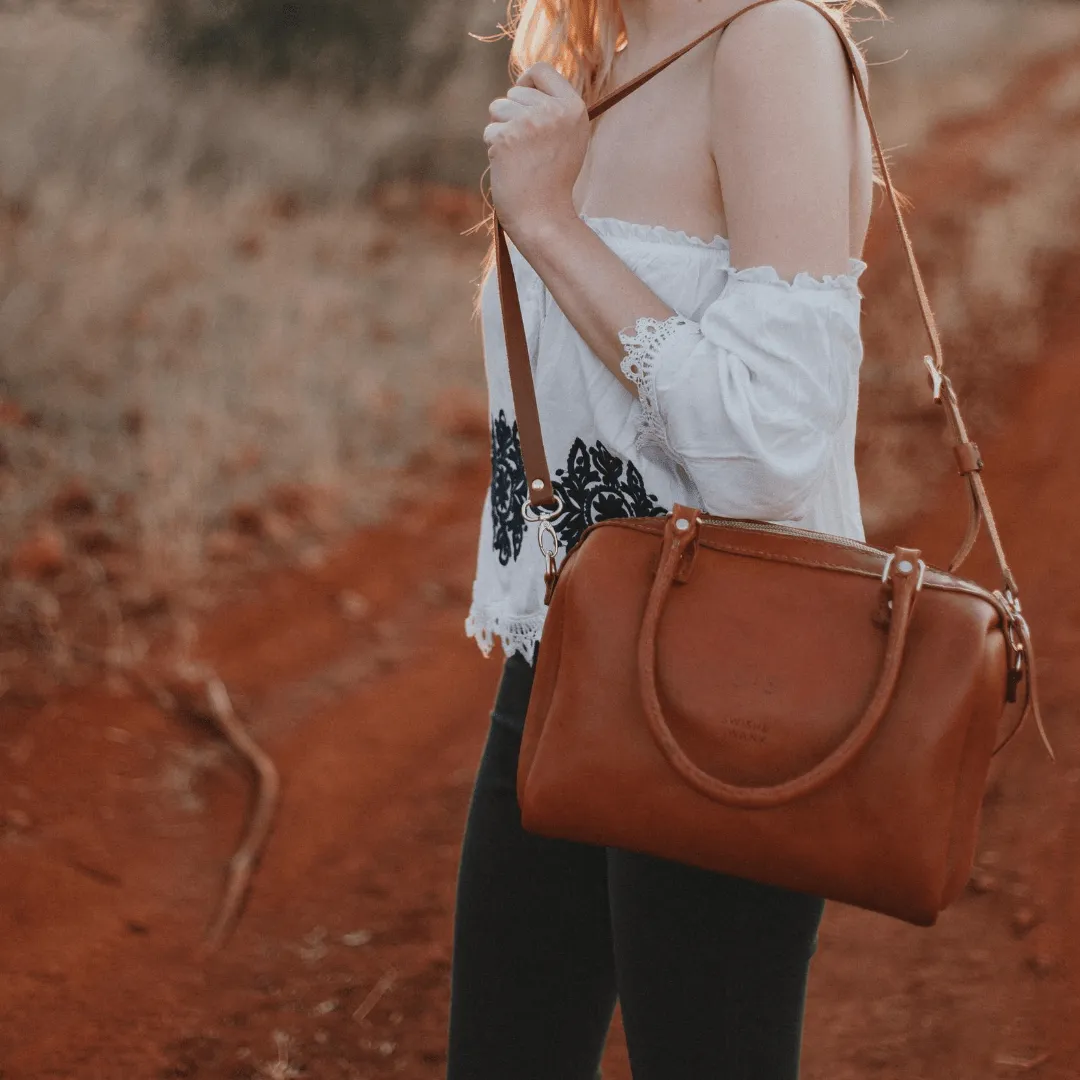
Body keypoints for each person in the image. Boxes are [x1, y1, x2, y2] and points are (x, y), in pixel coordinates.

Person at [449, 0, 885, 1076]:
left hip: (724, 688)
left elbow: (770, 443)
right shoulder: (587, 58)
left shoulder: (772, 44)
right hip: (561, 668)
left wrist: (551, 224)